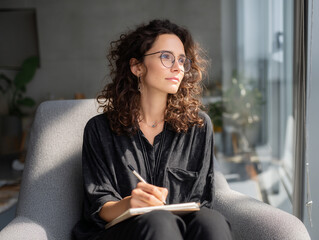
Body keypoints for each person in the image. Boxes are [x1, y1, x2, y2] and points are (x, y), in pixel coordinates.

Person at [72, 19, 232, 240]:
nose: (178, 67)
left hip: (180, 230)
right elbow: (99, 206)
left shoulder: (198, 128)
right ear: (137, 67)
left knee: (211, 221)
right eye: (166, 57)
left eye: (182, 60)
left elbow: (200, 203)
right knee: (158, 220)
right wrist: (130, 203)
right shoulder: (99, 129)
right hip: (120, 233)